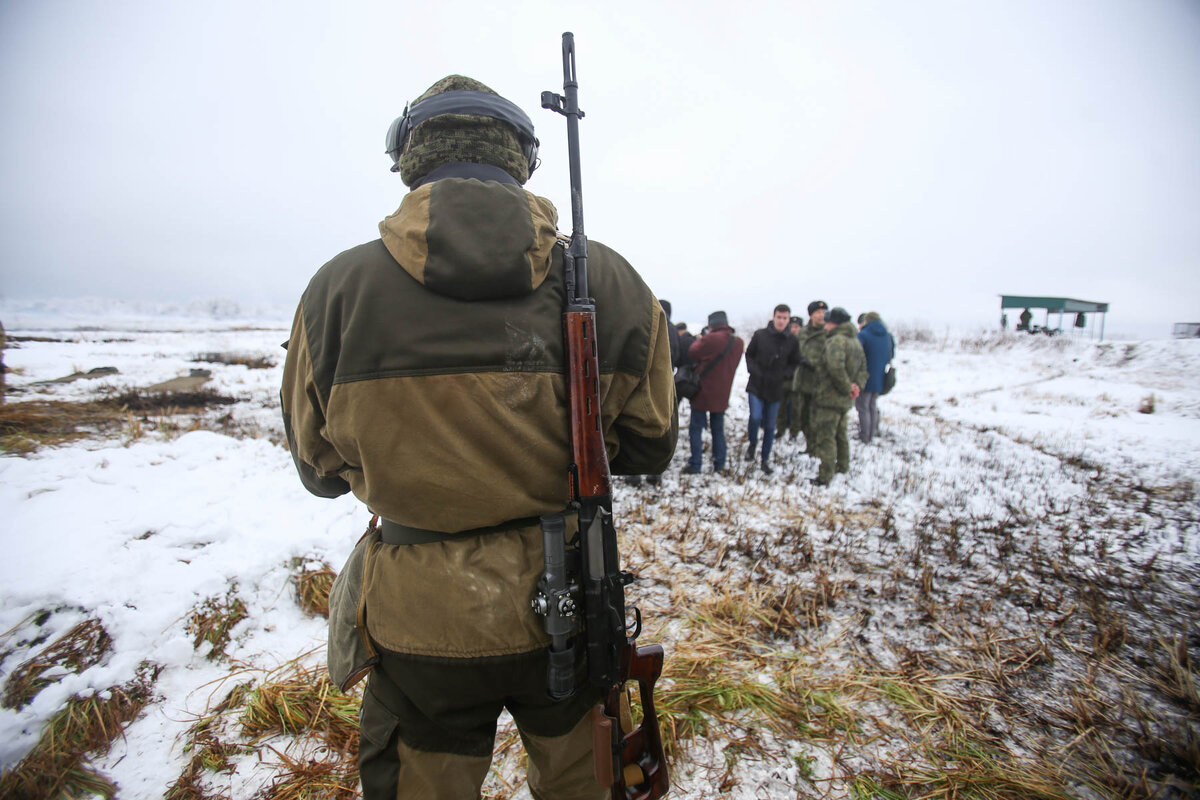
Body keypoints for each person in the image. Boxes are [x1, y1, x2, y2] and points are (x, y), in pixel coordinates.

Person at [280, 75, 676, 800]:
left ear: (409, 158)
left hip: (417, 614)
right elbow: (651, 448)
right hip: (572, 602)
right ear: (519, 159)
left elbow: (318, 470)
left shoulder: (336, 290)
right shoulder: (610, 280)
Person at [811, 306, 867, 486]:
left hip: (830, 398)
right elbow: (863, 369)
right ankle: (843, 466)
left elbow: (835, 368)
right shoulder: (855, 341)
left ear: (833, 323)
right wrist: (855, 387)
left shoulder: (836, 341)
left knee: (826, 436)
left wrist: (846, 387)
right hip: (845, 400)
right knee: (841, 434)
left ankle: (825, 474)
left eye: (827, 322)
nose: (825, 325)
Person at [683, 311, 743, 475]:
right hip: (723, 393)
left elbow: (693, 351)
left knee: (696, 429)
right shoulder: (738, 342)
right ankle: (719, 464)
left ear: (712, 325)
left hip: (702, 392)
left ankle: (696, 464)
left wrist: (701, 339)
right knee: (718, 430)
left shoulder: (710, 338)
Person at [743, 304, 800, 474]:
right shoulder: (761, 335)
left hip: (775, 388)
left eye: (785, 318)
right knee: (755, 417)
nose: (781, 321)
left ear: (788, 320)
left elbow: (794, 361)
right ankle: (752, 444)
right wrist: (754, 370)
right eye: (779, 317)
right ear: (774, 317)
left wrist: (784, 375)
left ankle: (765, 458)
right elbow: (749, 354)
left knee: (769, 425)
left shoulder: (791, 340)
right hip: (757, 385)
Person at [855, 311, 894, 444]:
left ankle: (865, 436)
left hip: (864, 376)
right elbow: (891, 355)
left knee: (862, 406)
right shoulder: (887, 336)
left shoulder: (864, 335)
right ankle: (873, 432)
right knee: (872, 405)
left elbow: (856, 354)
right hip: (880, 376)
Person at [795, 301, 828, 454]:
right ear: (811, 315)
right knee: (803, 417)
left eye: (823, 311)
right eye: (818, 312)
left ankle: (818, 449)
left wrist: (813, 363)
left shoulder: (828, 333)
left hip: (820, 383)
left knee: (818, 419)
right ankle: (810, 446)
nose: (821, 315)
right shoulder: (803, 332)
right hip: (803, 381)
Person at [775, 316, 805, 440]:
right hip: (783, 378)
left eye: (796, 327)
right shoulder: (785, 340)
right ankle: (780, 429)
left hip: (797, 380)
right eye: (792, 327)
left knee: (795, 408)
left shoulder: (804, 341)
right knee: (780, 407)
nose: (793, 329)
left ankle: (794, 432)